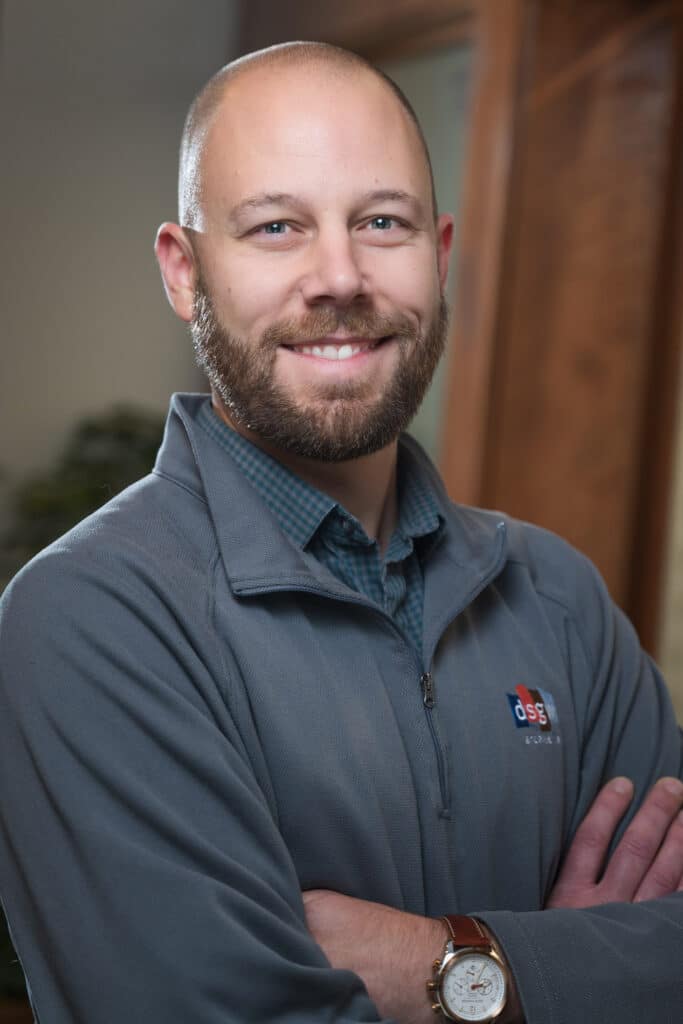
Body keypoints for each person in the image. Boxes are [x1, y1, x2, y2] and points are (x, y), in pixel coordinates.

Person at [0, 40, 682, 1024]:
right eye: (276, 226)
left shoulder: (558, 599)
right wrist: (578, 973)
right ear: (184, 273)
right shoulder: (89, 623)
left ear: (439, 256)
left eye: (380, 221)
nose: (339, 275)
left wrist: (442, 966)